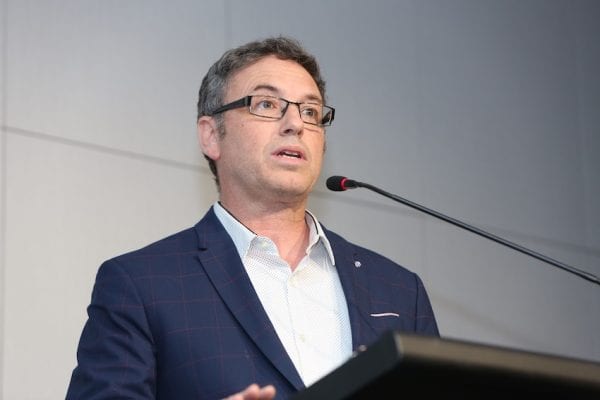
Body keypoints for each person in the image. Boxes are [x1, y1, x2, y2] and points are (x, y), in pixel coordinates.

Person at [66, 36, 439, 400]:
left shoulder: (400, 291)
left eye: (311, 112)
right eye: (266, 104)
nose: (295, 124)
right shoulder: (141, 286)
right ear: (211, 136)